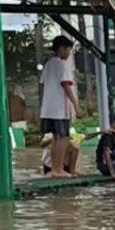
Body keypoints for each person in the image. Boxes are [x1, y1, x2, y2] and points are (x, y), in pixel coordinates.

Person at [39, 36, 81, 178]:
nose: (69, 53)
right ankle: (58, 169)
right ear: (61, 49)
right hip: (60, 109)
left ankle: (54, 169)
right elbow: (66, 85)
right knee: (62, 137)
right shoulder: (63, 65)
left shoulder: (48, 64)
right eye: (68, 50)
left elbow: (43, 84)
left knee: (56, 138)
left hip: (48, 108)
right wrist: (76, 105)